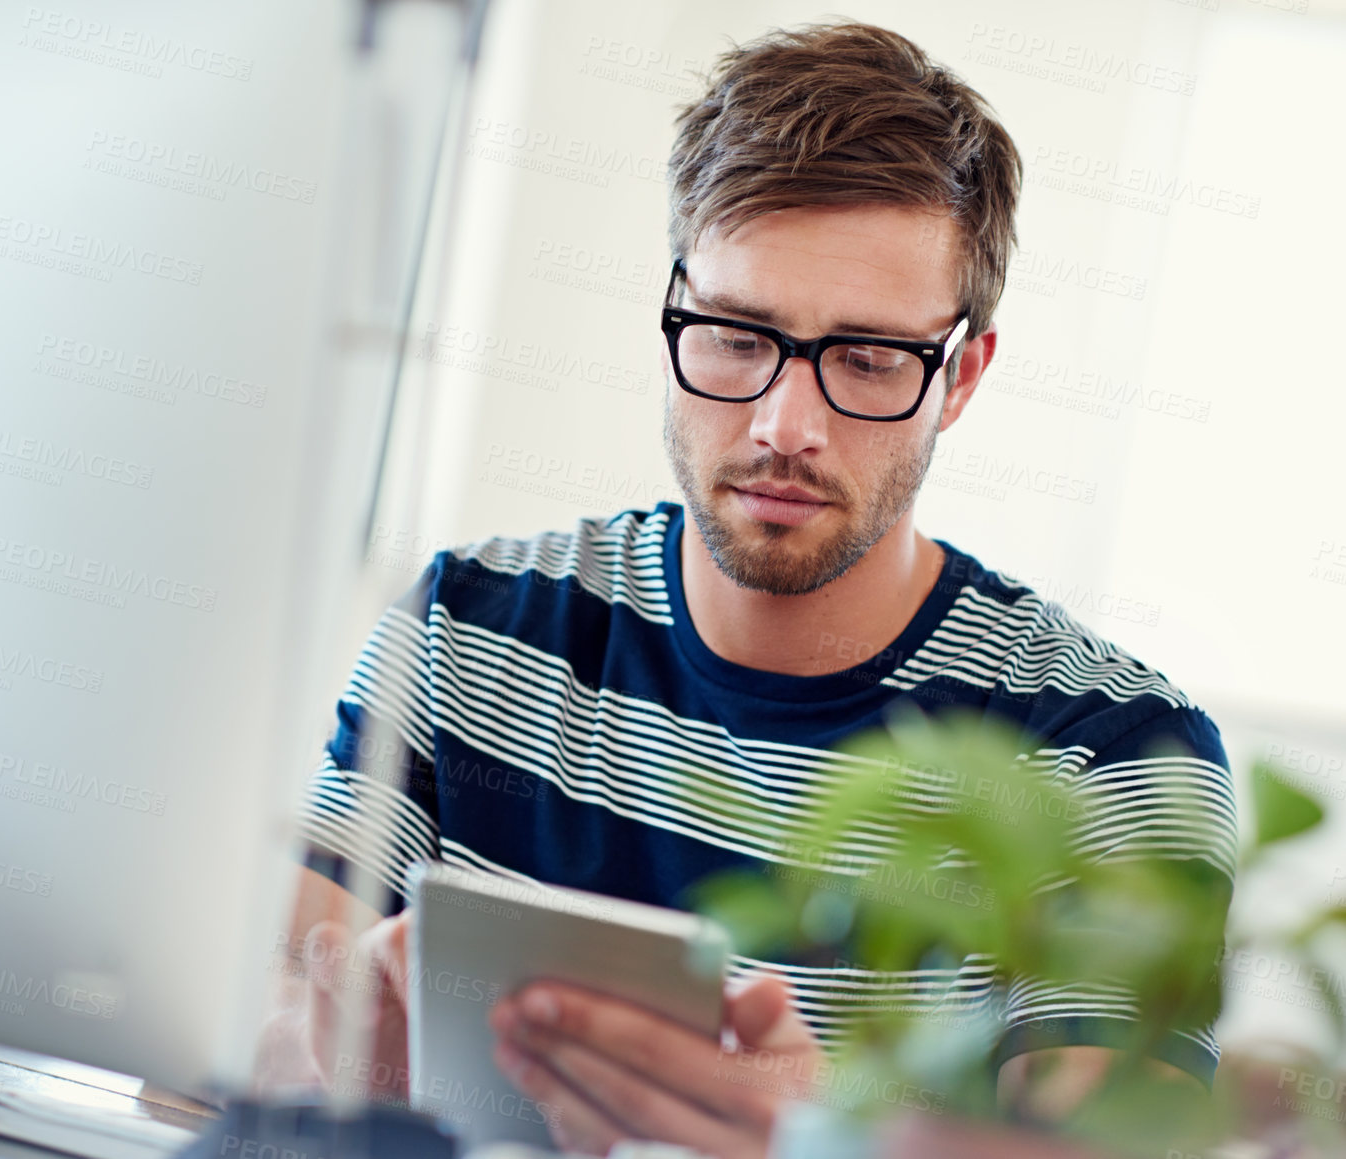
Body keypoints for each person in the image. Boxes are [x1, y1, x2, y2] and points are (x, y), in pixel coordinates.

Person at [254, 20, 1237, 1157]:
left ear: (960, 377)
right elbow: (262, 1024)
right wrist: (340, 1065)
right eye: (734, 334)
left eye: (867, 359)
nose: (785, 425)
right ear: (673, 306)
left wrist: (824, 1138)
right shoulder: (466, 625)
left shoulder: (1116, 759)